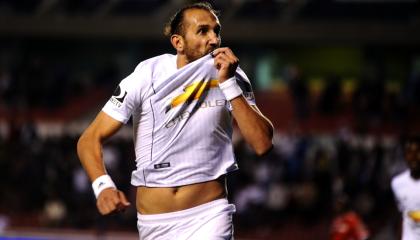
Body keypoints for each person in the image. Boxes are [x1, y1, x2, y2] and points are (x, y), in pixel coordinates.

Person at [76, 2, 274, 239]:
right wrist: (103, 186)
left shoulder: (232, 75)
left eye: (216, 31)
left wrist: (229, 84)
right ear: (178, 42)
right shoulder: (146, 74)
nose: (213, 39)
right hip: (154, 224)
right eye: (202, 31)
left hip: (209, 216)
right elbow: (89, 139)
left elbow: (262, 143)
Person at [391, 135, 420, 240]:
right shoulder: (397, 183)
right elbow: (400, 216)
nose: (414, 157)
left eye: (418, 152)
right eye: (409, 153)